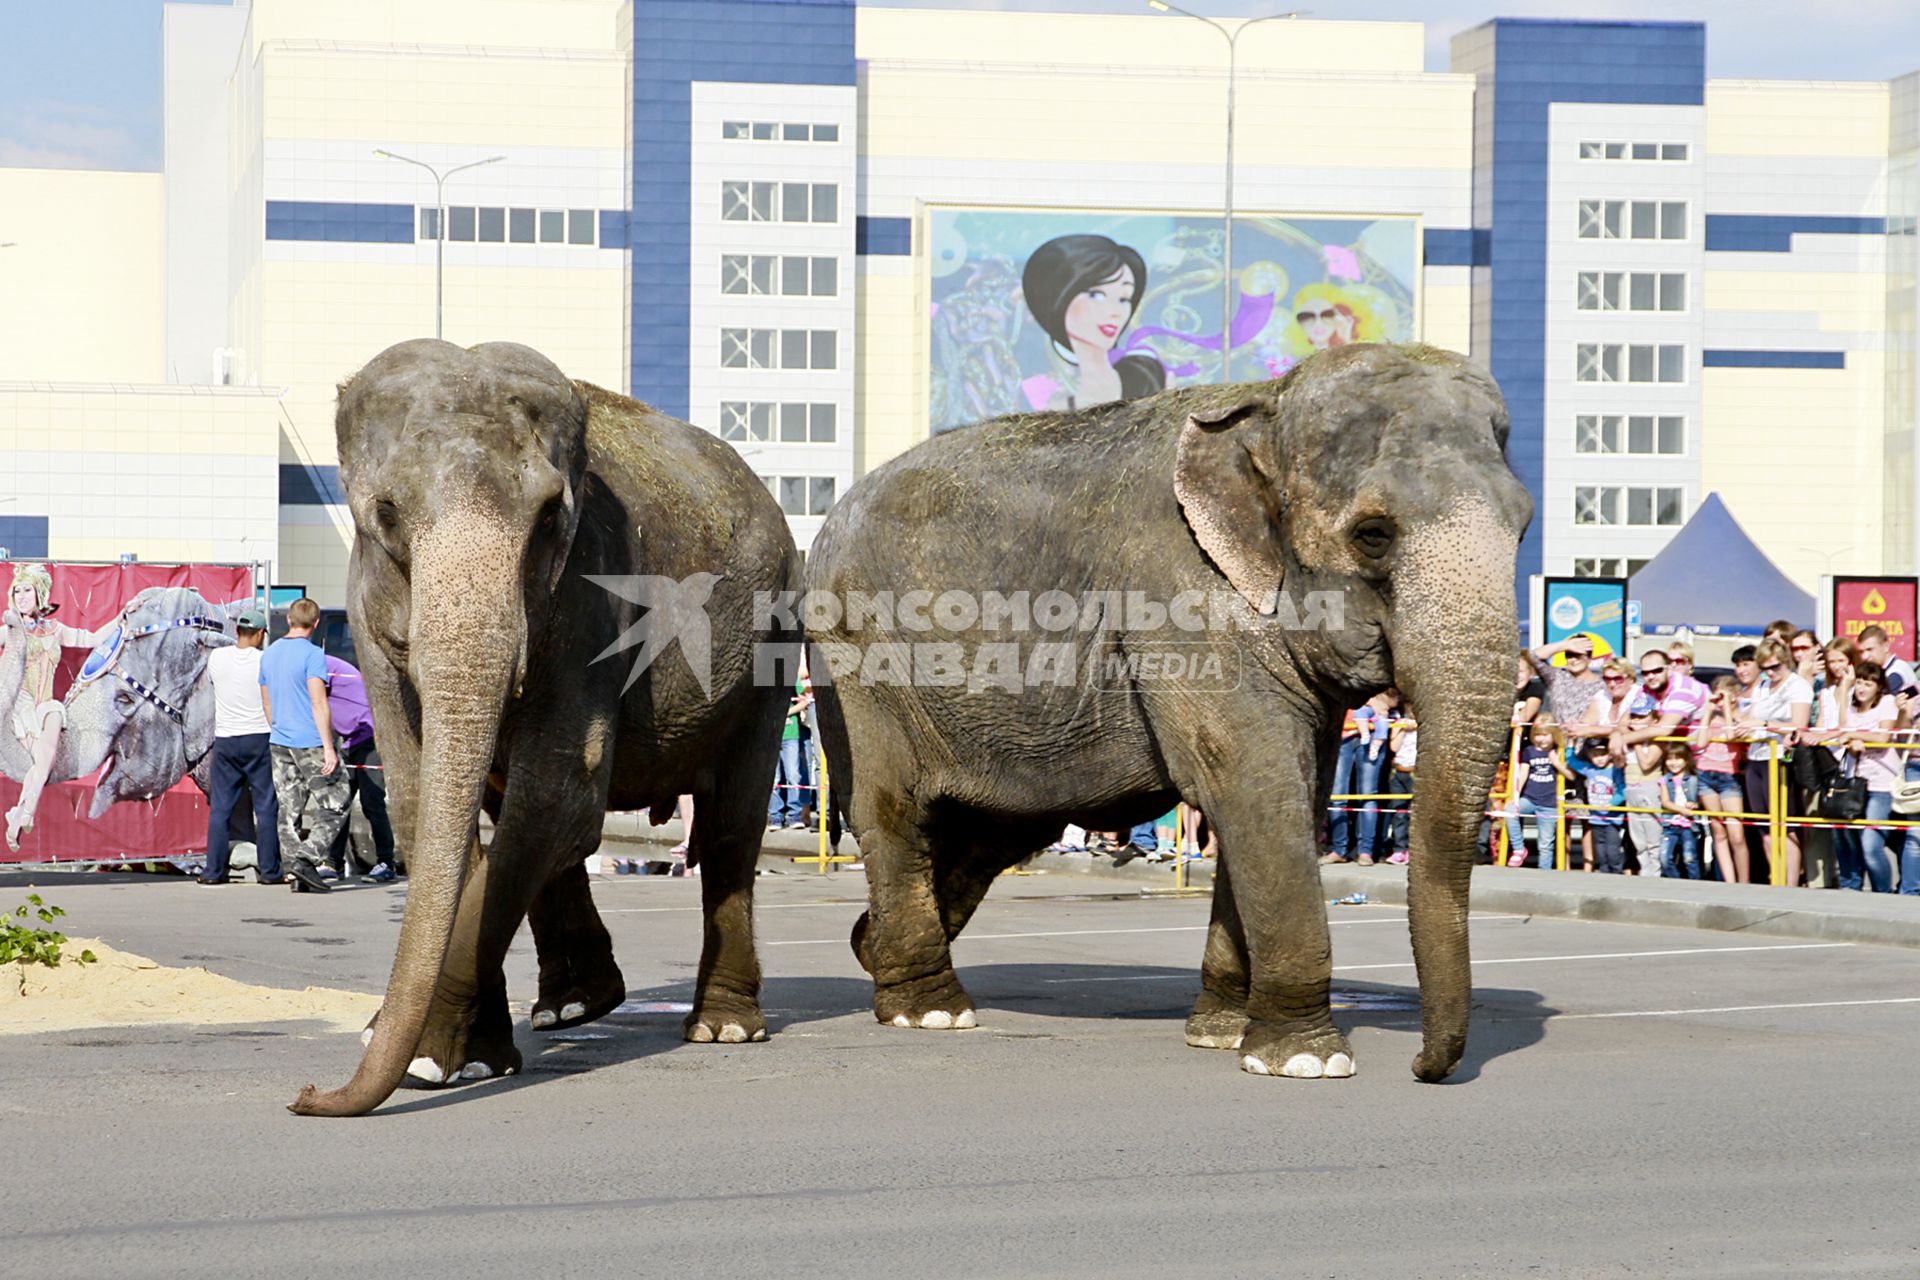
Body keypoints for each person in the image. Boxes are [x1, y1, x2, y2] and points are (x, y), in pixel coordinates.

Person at [0, 564, 131, 850]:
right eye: (17, 591)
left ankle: (22, 812)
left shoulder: (55, 629)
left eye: (27, 590)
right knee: (40, 767)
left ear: (40, 593)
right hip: (19, 709)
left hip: (46, 706)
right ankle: (21, 812)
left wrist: (121, 620)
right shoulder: (10, 629)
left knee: (46, 748)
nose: (21, 596)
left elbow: (93, 639)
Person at [259, 597, 348, 893]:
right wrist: (329, 746)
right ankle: (307, 859)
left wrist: (279, 729)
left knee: (289, 807)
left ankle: (294, 871)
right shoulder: (313, 655)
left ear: (288, 620)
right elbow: (318, 702)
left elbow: (267, 701)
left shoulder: (269, 655)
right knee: (337, 799)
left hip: (280, 738)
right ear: (316, 624)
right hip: (309, 739)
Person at [1021, 234, 1166, 409]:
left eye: (1124, 299)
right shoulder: (1039, 393)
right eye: (1096, 295)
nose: (1115, 312)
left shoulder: (1146, 374)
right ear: (1058, 295)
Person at [199, 609, 282, 885]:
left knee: (221, 808)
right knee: (266, 806)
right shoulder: (265, 660)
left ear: (237, 631)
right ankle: (270, 872)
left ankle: (213, 872)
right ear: (260, 634)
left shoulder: (217, 657)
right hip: (258, 737)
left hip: (225, 738)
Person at [1810, 659, 1903, 892]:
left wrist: (1855, 736)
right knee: (1847, 839)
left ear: (1878, 687)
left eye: (1868, 684)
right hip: (1854, 780)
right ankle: (1852, 887)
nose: (1862, 688)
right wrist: (1846, 688)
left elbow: (1883, 738)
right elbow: (1843, 728)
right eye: (1859, 683)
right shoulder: (1851, 705)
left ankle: (1884, 893)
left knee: (1871, 844)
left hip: (1881, 782)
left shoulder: (1887, 702)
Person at [1737, 639, 1812, 887]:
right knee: (1765, 828)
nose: (1770, 672)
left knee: (1786, 825)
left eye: (1775, 666)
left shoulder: (1797, 686)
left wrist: (1765, 725)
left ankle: (1790, 884)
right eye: (1765, 667)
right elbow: (1750, 718)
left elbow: (1799, 725)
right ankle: (1775, 880)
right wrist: (1728, 712)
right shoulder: (1763, 686)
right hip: (1757, 757)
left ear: (1786, 661)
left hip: (1781, 757)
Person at [322, 654, 397, 883]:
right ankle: (334, 863)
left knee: (371, 801)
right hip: (349, 740)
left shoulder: (320, 665)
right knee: (340, 803)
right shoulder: (317, 664)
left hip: (370, 736)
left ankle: (386, 862)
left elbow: (316, 705)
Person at [1324, 689, 1394, 866]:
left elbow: (1391, 698)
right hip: (1343, 735)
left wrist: (1375, 700)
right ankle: (1338, 849)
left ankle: (1366, 851)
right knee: (1337, 796)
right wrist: (1370, 701)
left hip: (1374, 734)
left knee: (1368, 795)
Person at [1692, 675, 1751, 883]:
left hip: (1729, 777)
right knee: (1719, 831)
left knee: (1736, 834)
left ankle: (1743, 881)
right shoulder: (1712, 717)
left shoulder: (1741, 717)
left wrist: (1727, 709)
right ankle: (1729, 880)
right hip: (1706, 774)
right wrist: (1708, 712)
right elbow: (1699, 742)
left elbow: (1731, 737)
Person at [1505, 716, 1572, 869]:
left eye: (1545, 734)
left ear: (1553, 734)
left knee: (1545, 843)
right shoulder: (1529, 751)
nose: (1541, 739)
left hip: (1550, 803)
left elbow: (1571, 776)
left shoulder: (1559, 751)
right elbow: (1522, 774)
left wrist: (1556, 763)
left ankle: (1544, 872)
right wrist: (1516, 797)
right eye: (1537, 734)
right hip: (1529, 798)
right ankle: (1519, 849)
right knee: (1510, 811)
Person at [1620, 693, 1668, 876]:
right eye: (1634, 716)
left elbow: (1647, 763)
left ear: (1654, 718)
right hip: (1630, 788)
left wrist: (1637, 741)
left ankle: (1655, 874)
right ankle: (1644, 872)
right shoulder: (1629, 737)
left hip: (1648, 787)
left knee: (1652, 836)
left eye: (1642, 716)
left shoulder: (1656, 740)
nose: (1637, 720)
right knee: (1638, 837)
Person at [1571, 737, 1627, 873]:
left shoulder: (1615, 770)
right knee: (1601, 852)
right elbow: (1571, 761)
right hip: (1596, 818)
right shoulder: (1590, 770)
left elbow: (1623, 790)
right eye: (1595, 756)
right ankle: (1604, 875)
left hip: (1612, 819)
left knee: (1612, 851)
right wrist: (1570, 745)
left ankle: (1616, 873)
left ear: (1609, 754)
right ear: (1589, 756)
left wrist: (1611, 803)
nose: (1599, 759)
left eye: (1603, 754)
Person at [1658, 744, 1703, 879]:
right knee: (1664, 858)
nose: (1673, 763)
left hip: (1689, 826)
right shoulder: (1665, 779)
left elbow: (1701, 799)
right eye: (1669, 759)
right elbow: (1665, 802)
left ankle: (1695, 884)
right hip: (1670, 825)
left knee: (1689, 858)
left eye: (1678, 759)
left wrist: (1695, 805)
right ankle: (1675, 882)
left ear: (1686, 760)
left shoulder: (1694, 779)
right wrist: (1683, 810)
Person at [1382, 705, 1417, 865]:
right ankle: (1399, 849)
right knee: (1399, 813)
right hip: (1399, 772)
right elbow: (1394, 747)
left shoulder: (1427, 724)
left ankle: (1413, 849)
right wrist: (1402, 729)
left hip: (1415, 772)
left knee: (1415, 814)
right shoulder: (1399, 722)